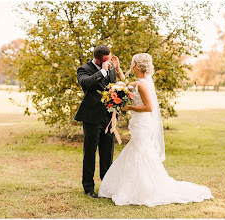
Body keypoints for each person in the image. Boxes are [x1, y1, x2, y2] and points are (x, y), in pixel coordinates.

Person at [98, 53, 214, 206]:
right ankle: (136, 187)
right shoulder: (140, 82)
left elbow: (148, 107)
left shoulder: (143, 84)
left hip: (142, 124)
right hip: (139, 123)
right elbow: (125, 86)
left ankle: (146, 189)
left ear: (137, 66)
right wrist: (118, 69)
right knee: (138, 152)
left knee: (140, 153)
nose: (131, 66)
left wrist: (128, 107)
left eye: (132, 64)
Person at [74, 45, 124, 198]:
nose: (109, 63)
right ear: (98, 59)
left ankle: (106, 186)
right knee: (90, 152)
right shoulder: (84, 69)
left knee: (107, 152)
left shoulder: (111, 69)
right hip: (91, 117)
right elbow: (86, 83)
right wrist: (102, 71)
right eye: (106, 61)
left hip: (108, 117)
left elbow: (114, 88)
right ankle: (88, 187)